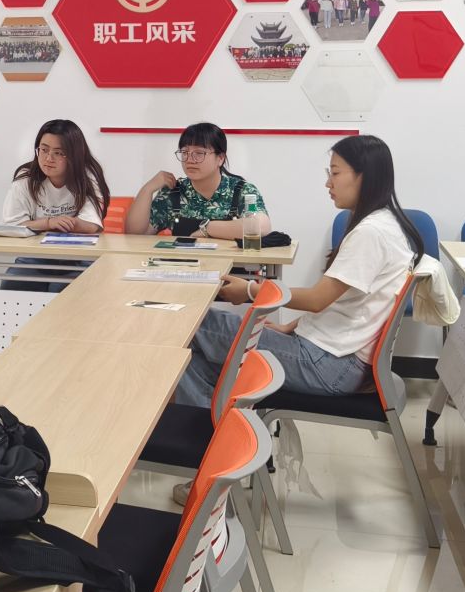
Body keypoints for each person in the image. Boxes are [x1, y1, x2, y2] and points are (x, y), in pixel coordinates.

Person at [176, 136, 422, 493]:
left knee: (192, 321)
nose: (328, 182)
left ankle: (210, 470)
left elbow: (319, 299)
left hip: (330, 365)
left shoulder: (371, 232)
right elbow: (346, 305)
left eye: (335, 173)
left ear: (364, 176)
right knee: (190, 360)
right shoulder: (384, 223)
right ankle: (215, 468)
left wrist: (250, 291)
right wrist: (293, 326)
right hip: (333, 355)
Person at [125, 123, 268, 240]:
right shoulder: (173, 192)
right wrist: (148, 189)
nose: (189, 160)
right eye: (185, 152)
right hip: (183, 265)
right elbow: (135, 235)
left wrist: (207, 228)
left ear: (220, 158)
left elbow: (260, 227)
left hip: (230, 266)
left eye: (199, 153)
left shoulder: (242, 190)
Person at [3, 120, 108, 232]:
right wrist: (49, 223)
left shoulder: (87, 176)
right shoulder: (26, 178)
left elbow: (91, 225)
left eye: (58, 153)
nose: (49, 159)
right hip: (34, 243)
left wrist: (57, 223)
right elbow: (11, 225)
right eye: (44, 150)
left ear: (74, 155)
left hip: (75, 243)